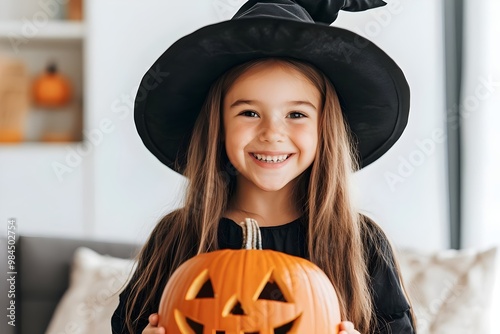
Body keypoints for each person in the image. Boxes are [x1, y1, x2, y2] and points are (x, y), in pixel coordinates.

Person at [112, 0, 416, 333]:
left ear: (324, 129)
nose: (272, 133)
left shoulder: (360, 243)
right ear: (219, 126)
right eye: (249, 113)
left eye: (296, 114)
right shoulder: (176, 238)